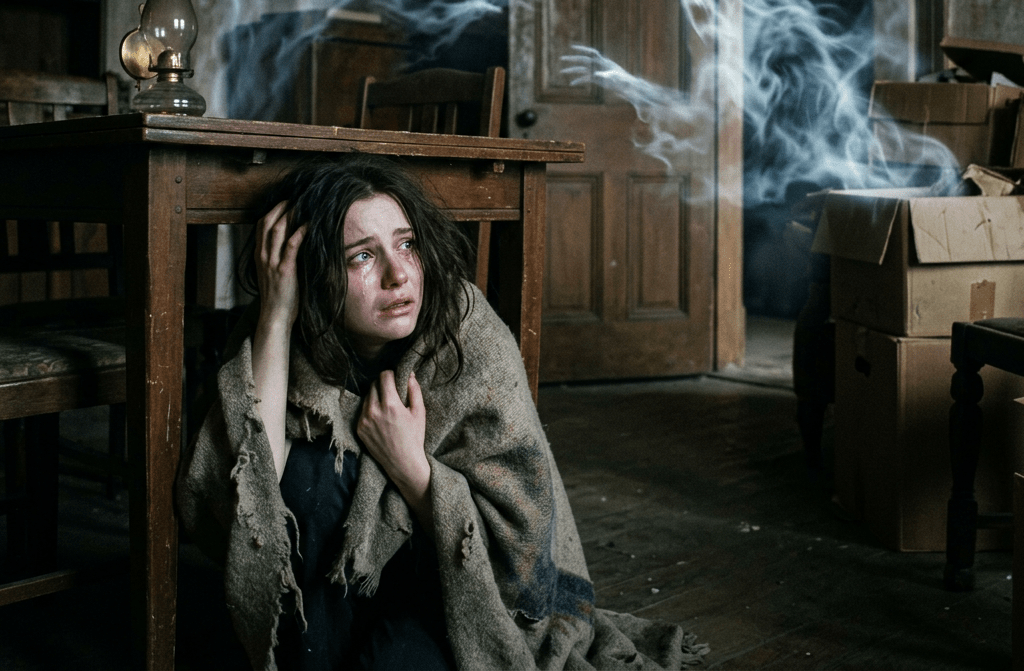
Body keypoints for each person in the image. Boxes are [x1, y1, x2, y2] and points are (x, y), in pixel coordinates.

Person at [177, 153, 708, 671]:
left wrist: (411, 468)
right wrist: (274, 316)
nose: (398, 275)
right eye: (361, 256)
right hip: (341, 596)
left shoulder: (467, 333)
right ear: (312, 277)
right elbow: (252, 489)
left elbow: (517, 550)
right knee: (314, 469)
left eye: (406, 245)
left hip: (454, 595)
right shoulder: (292, 330)